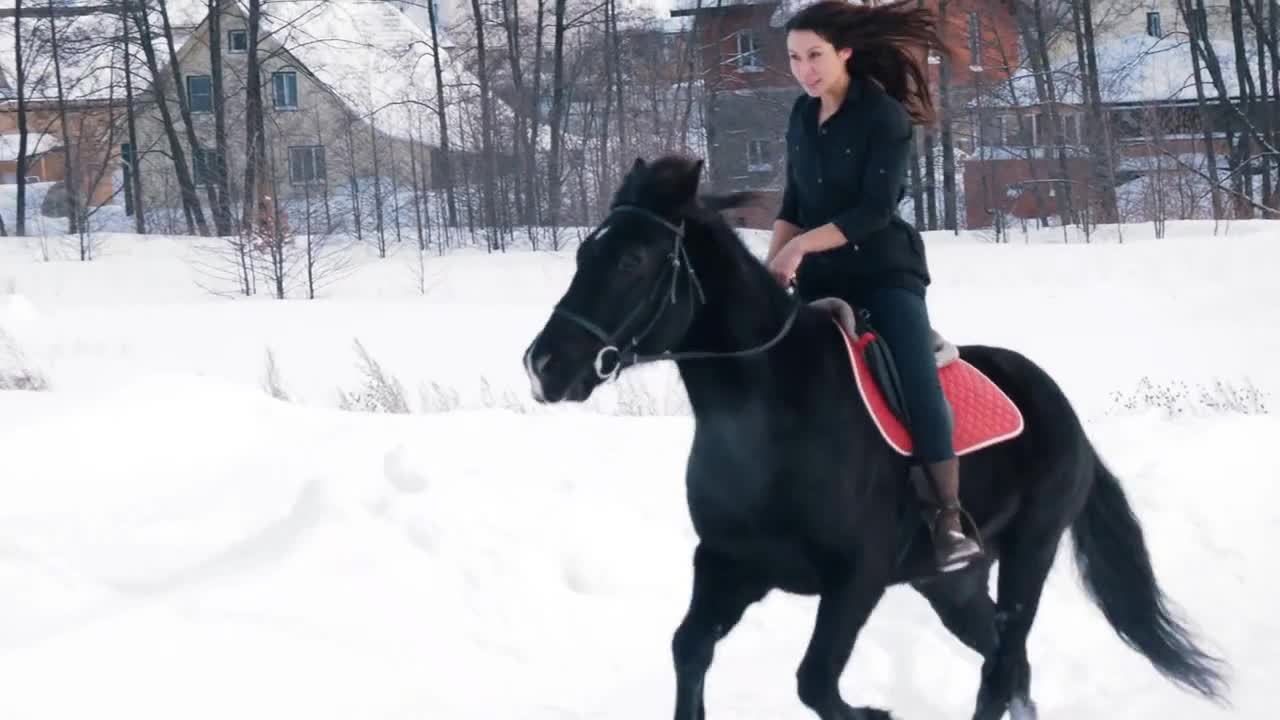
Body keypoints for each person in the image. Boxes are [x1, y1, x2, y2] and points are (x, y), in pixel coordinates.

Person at [764, 0, 982, 572]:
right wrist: (770, 269)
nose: (805, 69)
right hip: (821, 275)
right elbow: (793, 204)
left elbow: (874, 211)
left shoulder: (882, 116)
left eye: (815, 55)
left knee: (914, 376)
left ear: (845, 53)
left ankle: (946, 516)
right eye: (794, 58)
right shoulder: (798, 115)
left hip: (884, 270)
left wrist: (800, 247)